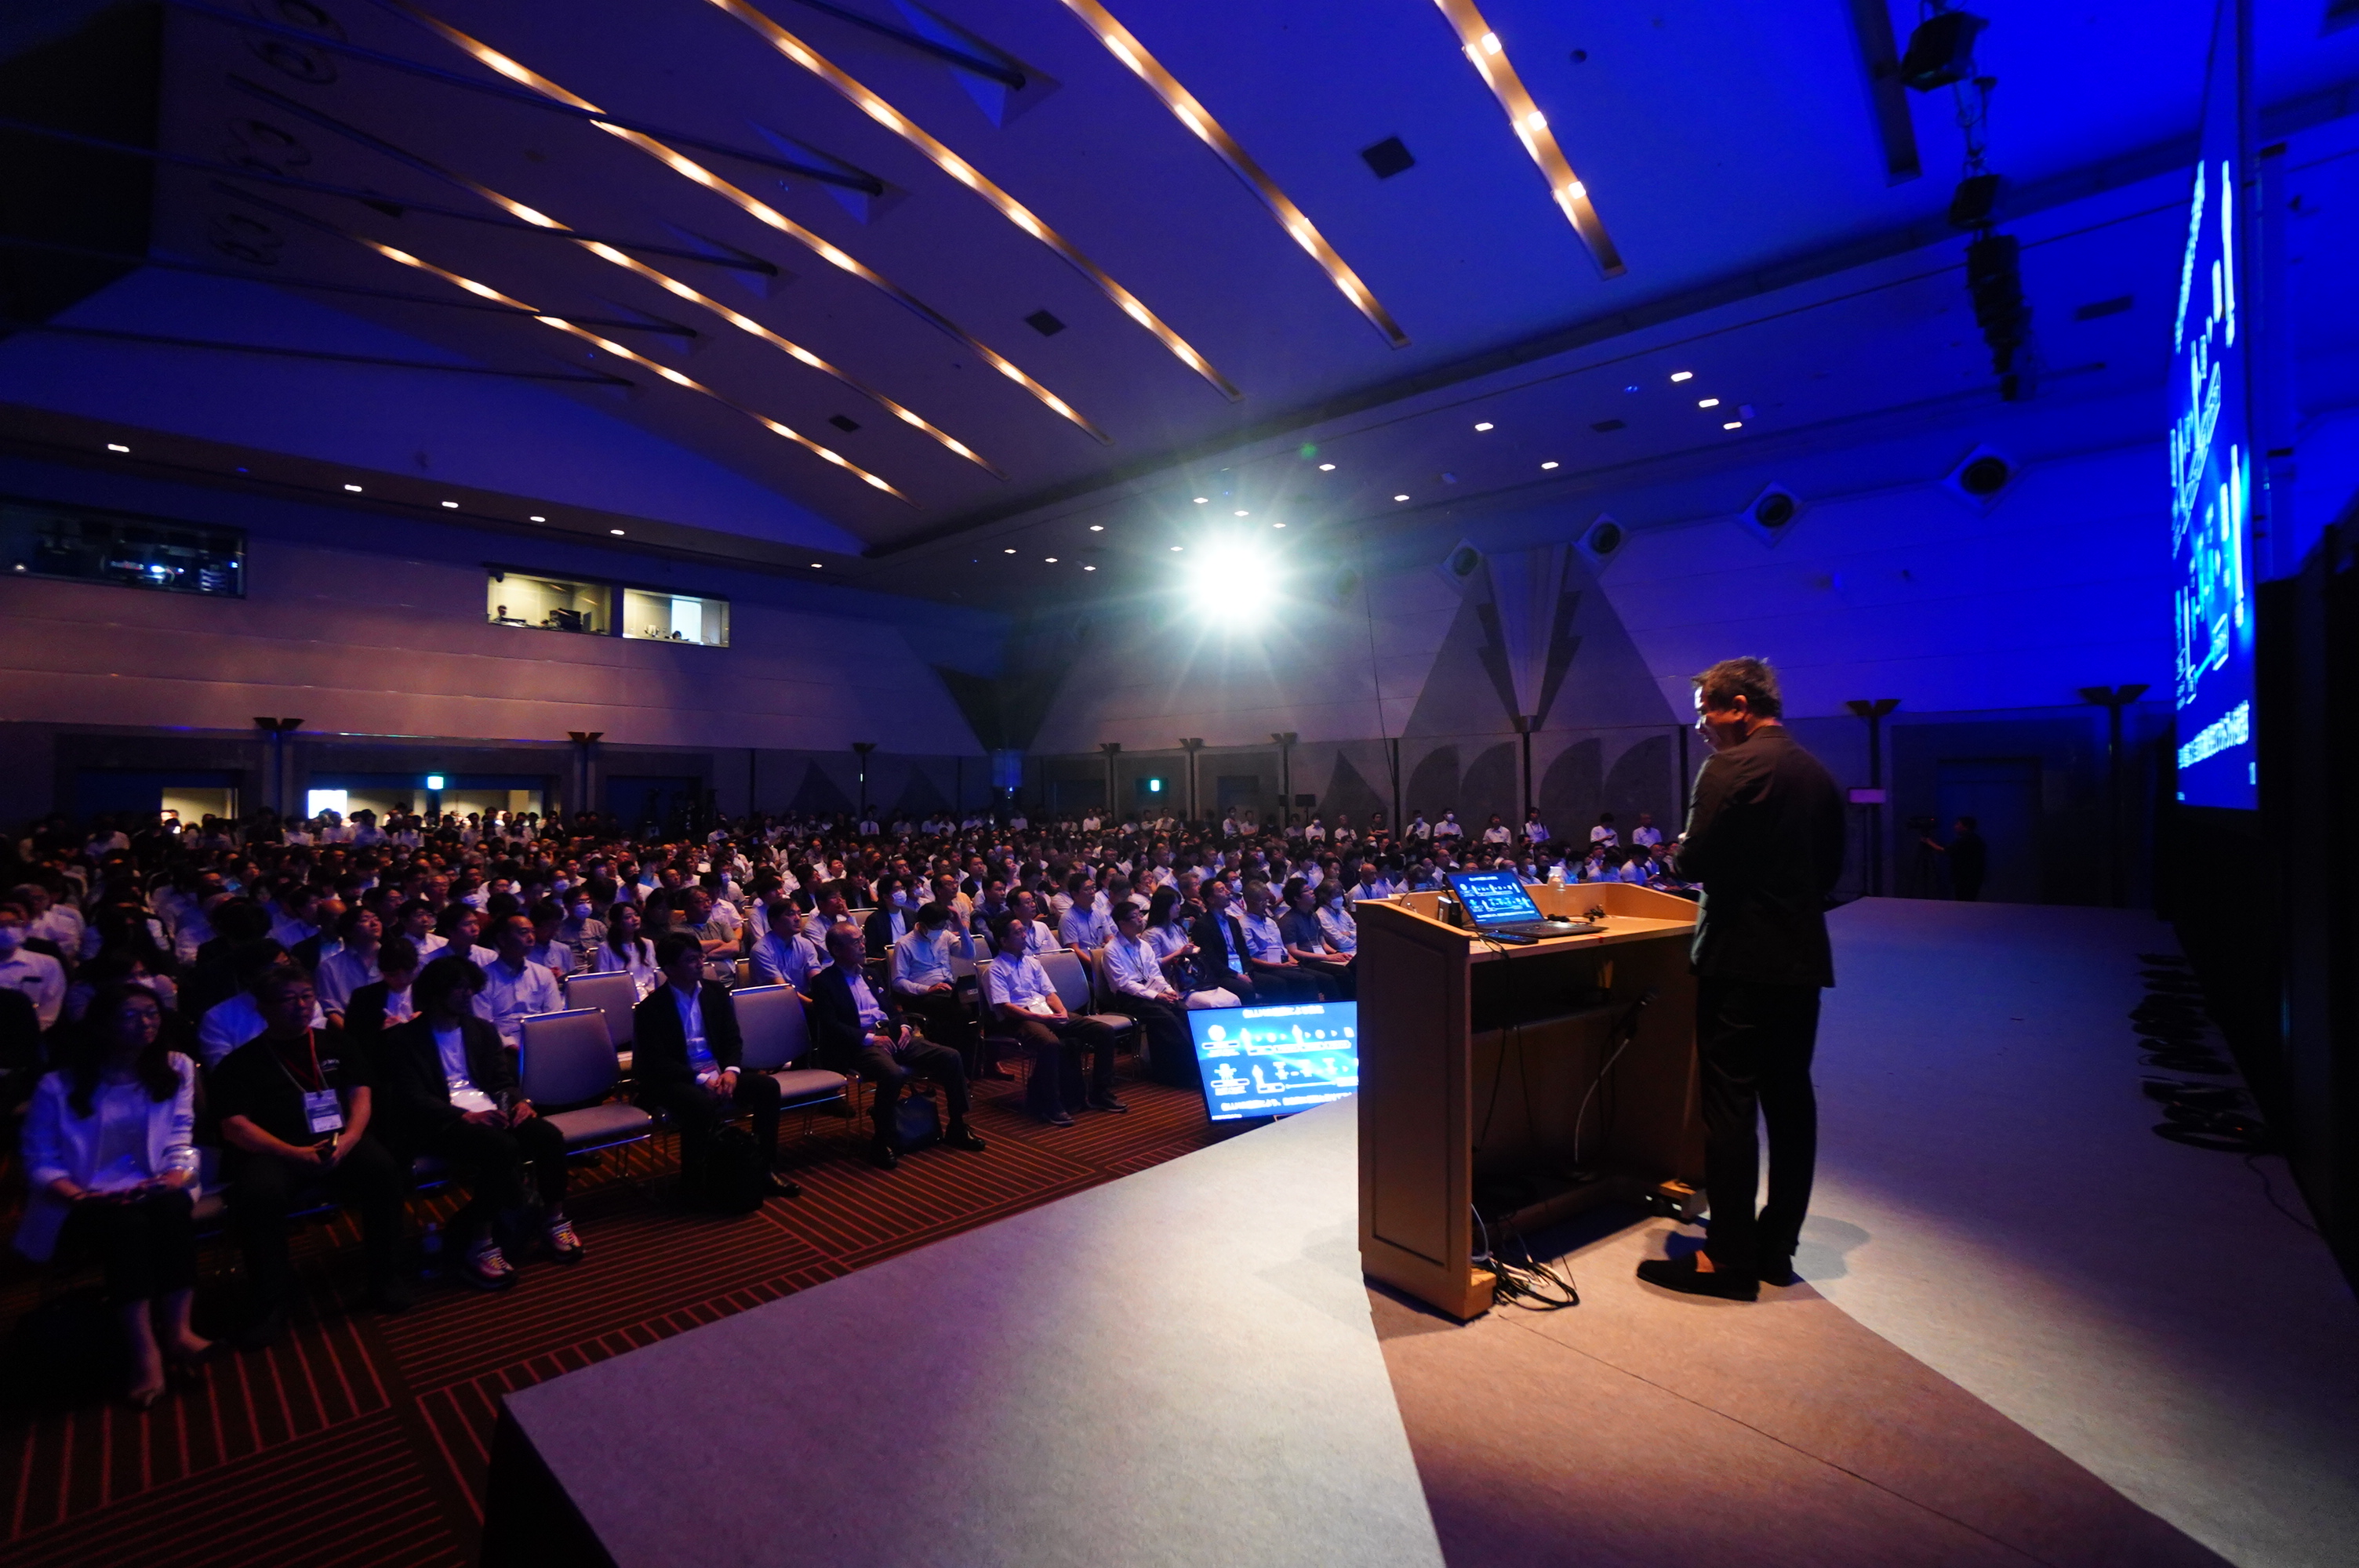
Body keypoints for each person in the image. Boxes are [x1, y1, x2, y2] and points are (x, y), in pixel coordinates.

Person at [1637, 657, 1843, 1303]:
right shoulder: (1816, 773)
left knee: (1730, 1105)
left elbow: (1694, 859)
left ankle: (1727, 1258)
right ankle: (1776, 1248)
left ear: (1739, 707)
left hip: (1737, 960)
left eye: (1706, 713)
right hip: (1799, 961)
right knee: (1791, 1101)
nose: (1702, 727)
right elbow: (1831, 871)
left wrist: (1683, 848)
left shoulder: (1729, 768)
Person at [15, 983, 209, 1407]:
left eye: (152, 1013)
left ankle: (179, 1331)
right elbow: (40, 1160)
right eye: (131, 1015)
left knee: (173, 1208)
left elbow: (180, 1134)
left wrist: (174, 1175)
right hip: (80, 1196)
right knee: (128, 1228)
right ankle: (145, 1351)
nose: (146, 1023)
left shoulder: (174, 1066)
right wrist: (80, 1197)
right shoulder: (58, 1085)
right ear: (102, 1026)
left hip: (154, 1182)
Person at [212, 967, 410, 1344]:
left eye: (306, 996)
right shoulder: (242, 1062)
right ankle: (270, 1303)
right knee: (258, 1195)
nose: (301, 1005)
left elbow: (361, 1093)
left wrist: (350, 1139)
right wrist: (294, 1153)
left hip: (339, 1139)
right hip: (276, 1150)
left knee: (383, 1171)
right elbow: (235, 1126)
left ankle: (386, 1278)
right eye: (289, 999)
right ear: (263, 1007)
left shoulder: (336, 1043)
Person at [372, 956, 580, 1289]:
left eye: (470, 987)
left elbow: (500, 1081)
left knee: (548, 1136)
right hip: (440, 1121)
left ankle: (554, 1220)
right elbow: (411, 1097)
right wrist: (463, 1115)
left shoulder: (480, 1030)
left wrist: (517, 1103)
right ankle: (480, 1242)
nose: (467, 994)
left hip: (489, 1111)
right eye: (459, 988)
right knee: (501, 1148)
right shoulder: (405, 1039)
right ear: (436, 993)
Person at [631, 934, 798, 1200]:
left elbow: (732, 1038)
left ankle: (763, 1168)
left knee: (767, 1087)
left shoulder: (716, 993)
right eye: (691, 960)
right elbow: (657, 1060)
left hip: (718, 1071)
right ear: (669, 968)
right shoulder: (651, 1007)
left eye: (700, 957)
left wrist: (731, 1071)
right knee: (698, 1103)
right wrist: (700, 1079)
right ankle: (695, 1181)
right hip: (676, 1078)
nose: (700, 963)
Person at [811, 924, 986, 1170]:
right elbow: (831, 1026)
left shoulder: (871, 974)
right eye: (855, 942)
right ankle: (881, 1140)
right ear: (837, 949)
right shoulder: (824, 982)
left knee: (950, 1057)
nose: (863, 945)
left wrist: (903, 1026)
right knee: (892, 1074)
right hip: (858, 1044)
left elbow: (891, 1009)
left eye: (862, 939)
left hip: (891, 1035)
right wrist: (870, 1039)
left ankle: (957, 1125)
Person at [983, 913, 1122, 1126]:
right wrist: (1040, 1017)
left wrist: (1062, 1012)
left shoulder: (1032, 962)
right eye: (1018, 932)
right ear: (1003, 941)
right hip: (1019, 1019)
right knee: (1050, 1044)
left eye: (1024, 930)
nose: (1025, 935)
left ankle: (1100, 1092)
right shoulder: (995, 970)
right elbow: (1006, 1008)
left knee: (1103, 1031)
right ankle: (1051, 1105)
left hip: (1045, 1011)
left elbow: (1050, 994)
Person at [1100, 899, 1193, 1083]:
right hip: (1128, 999)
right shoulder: (1112, 950)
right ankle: (1183, 1073)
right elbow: (1125, 984)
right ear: (1122, 923)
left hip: (1151, 990)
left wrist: (1167, 990)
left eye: (1140, 915)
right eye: (1135, 917)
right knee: (1166, 1017)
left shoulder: (1144, 945)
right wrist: (1156, 996)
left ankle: (1184, 1066)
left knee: (1183, 1010)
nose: (1141, 920)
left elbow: (1155, 974)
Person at [474, 915, 565, 1051]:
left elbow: (554, 1015)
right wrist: (510, 1046)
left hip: (541, 1041)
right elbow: (484, 1023)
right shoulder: (483, 978)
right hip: (500, 1047)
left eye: (533, 932)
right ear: (502, 939)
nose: (531, 938)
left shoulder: (543, 974)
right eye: (523, 932)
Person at [0, 902, 67, 1033]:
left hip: (28, 1037)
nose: (7, 930)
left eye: (13, 924)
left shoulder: (47, 965)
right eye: (1, 925)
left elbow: (49, 1011)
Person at [344, 937, 421, 1040]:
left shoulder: (429, 993)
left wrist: (425, 1022)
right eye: (393, 975)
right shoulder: (363, 997)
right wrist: (381, 1030)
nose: (402, 979)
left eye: (408, 972)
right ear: (381, 971)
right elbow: (351, 1039)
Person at [587, 902, 661, 998]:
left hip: (648, 993)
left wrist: (651, 991)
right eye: (628, 917)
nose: (635, 919)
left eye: (636, 915)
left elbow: (653, 973)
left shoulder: (647, 944)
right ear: (617, 923)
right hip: (619, 995)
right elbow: (603, 979)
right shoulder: (605, 948)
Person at [1922, 816, 1988, 902]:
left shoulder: (1965, 839)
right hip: (1974, 877)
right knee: (1969, 900)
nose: (1955, 827)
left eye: (1958, 824)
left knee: (1963, 901)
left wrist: (1928, 842)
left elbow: (1945, 851)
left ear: (1966, 826)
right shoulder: (1976, 839)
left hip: (1965, 878)